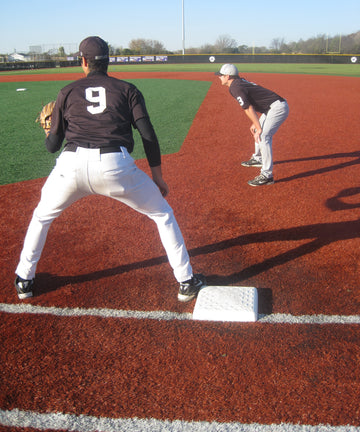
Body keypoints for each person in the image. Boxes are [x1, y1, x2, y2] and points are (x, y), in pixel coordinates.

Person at [14, 36, 206, 302]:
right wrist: (157, 176)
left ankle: (24, 279)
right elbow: (148, 135)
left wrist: (49, 131)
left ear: (82, 61)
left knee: (41, 218)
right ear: (109, 60)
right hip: (115, 166)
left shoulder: (67, 92)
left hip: (70, 166)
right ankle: (186, 281)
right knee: (162, 215)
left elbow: (52, 146)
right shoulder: (128, 90)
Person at [216, 64, 289, 186]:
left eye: (221, 75)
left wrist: (258, 126)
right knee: (256, 130)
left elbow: (248, 108)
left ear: (227, 76)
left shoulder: (235, 87)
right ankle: (258, 158)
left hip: (277, 108)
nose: (219, 77)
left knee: (263, 136)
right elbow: (250, 105)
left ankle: (267, 175)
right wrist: (256, 124)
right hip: (271, 108)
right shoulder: (238, 82)